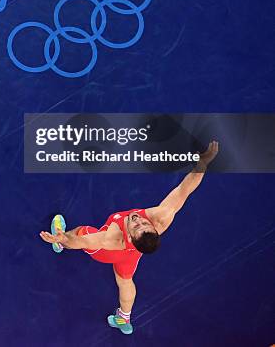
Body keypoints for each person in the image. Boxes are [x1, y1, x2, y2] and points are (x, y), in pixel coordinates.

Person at [39, 140, 219, 335]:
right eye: (143, 224)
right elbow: (185, 190)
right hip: (131, 256)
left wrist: (62, 239)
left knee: (82, 231)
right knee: (125, 281)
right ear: (154, 229)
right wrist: (203, 163)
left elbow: (82, 241)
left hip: (108, 253)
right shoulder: (160, 219)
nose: (137, 220)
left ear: (132, 238)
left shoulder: (112, 238)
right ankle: (123, 318)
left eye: (137, 227)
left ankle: (59, 245)